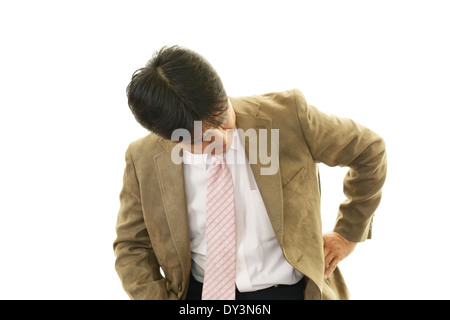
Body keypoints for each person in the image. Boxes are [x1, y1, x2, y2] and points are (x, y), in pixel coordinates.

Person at [113, 45, 387, 300]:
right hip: (200, 295)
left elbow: (369, 151)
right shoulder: (143, 158)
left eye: (223, 118)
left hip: (291, 291)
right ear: (172, 139)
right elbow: (131, 247)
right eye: (203, 138)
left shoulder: (287, 116)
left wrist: (348, 234)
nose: (222, 137)